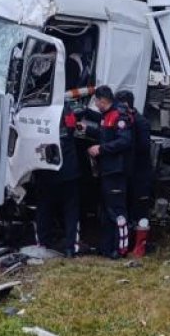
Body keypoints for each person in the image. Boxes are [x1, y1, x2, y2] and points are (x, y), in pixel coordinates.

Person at [89, 85, 133, 258]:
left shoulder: (119, 116)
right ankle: (107, 247)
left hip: (116, 170)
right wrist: (87, 129)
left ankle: (121, 249)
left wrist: (101, 149)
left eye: (96, 102)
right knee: (107, 211)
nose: (96, 105)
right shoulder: (105, 116)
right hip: (106, 170)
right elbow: (104, 134)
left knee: (118, 211)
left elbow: (124, 141)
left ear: (102, 100)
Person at [33, 104, 81, 257]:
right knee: (71, 211)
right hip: (69, 173)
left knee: (44, 209)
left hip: (47, 173)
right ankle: (70, 248)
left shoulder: (41, 117)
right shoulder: (68, 114)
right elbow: (74, 125)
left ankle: (43, 243)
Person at [117, 90, 154, 257]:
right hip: (130, 173)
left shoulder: (140, 122)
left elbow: (144, 147)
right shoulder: (129, 120)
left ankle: (141, 245)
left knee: (141, 210)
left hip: (141, 174)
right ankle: (130, 242)